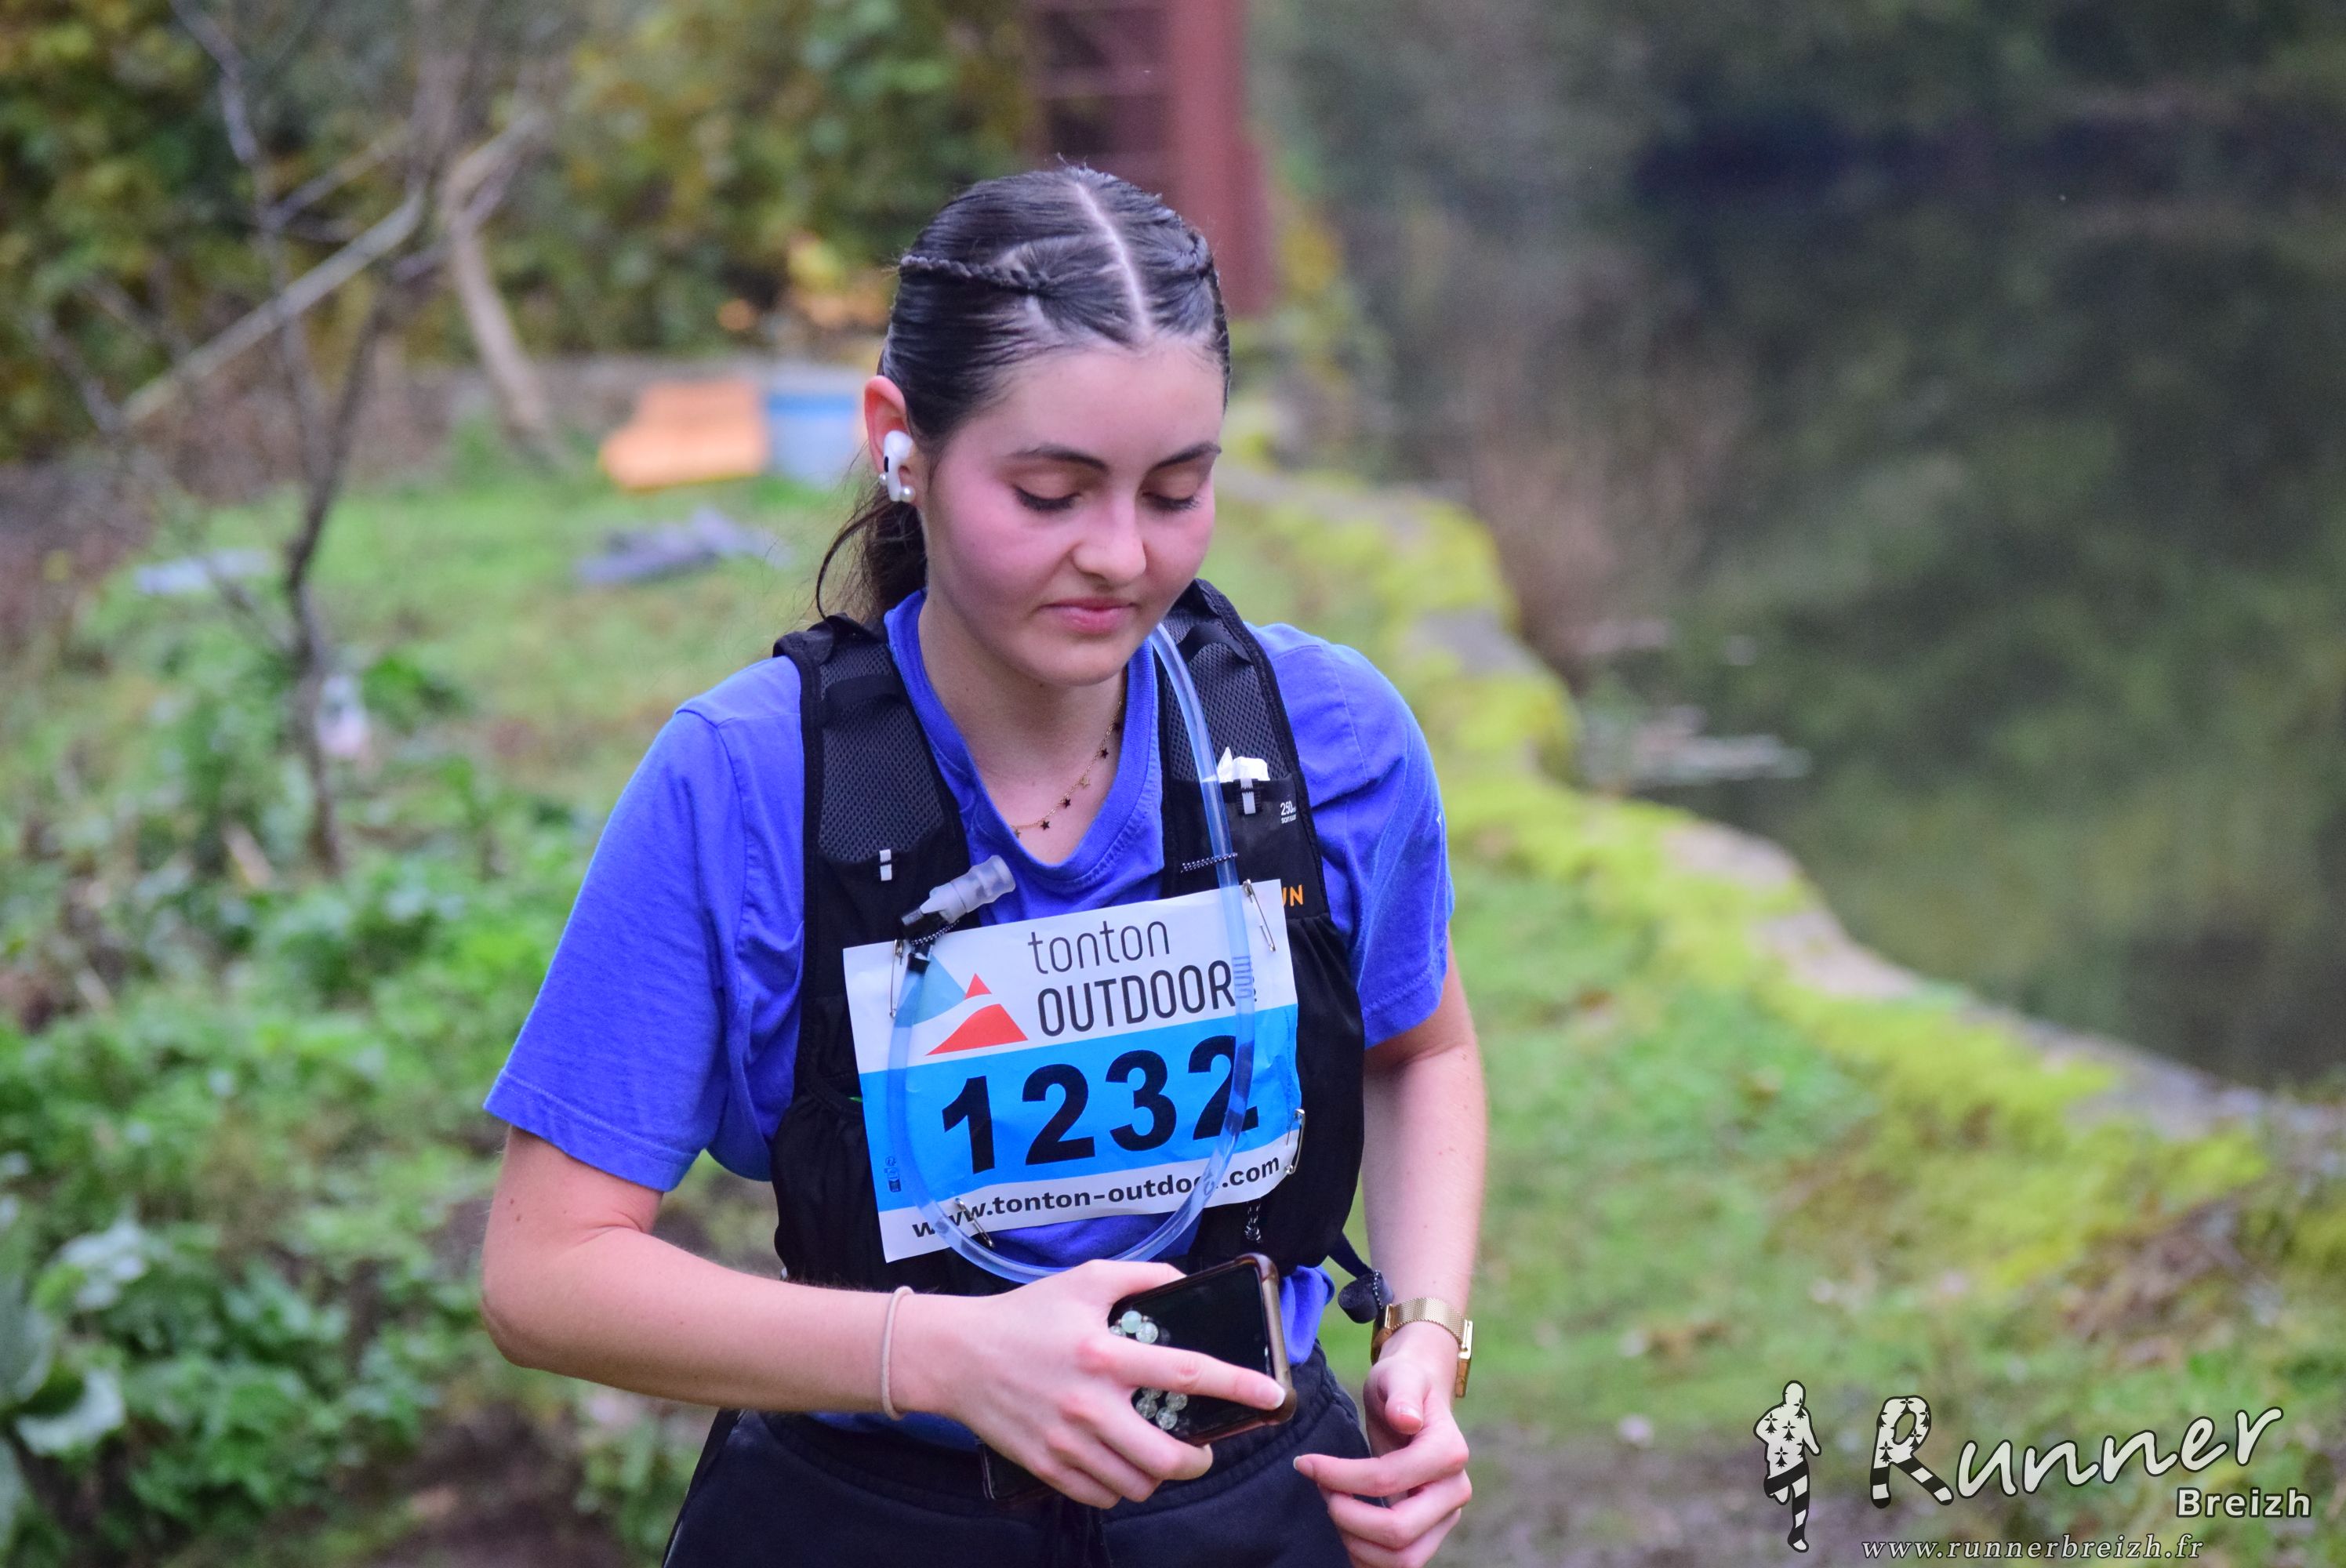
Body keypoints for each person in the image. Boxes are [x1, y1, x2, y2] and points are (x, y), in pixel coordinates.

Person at [477, 164, 1487, 1568]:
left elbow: (1422, 1050)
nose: (1120, 557)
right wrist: (940, 1357)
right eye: (1050, 492)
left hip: (1261, 1501)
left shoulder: (1323, 739)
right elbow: (544, 1272)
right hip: (862, 1519)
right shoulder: (748, 783)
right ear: (901, 442)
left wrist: (1425, 1337)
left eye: (1178, 490)